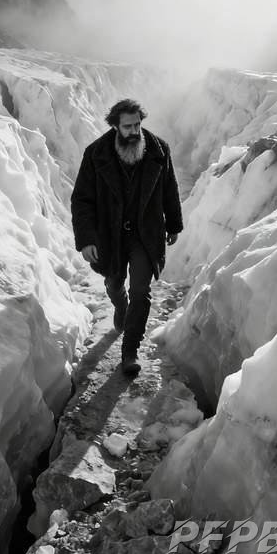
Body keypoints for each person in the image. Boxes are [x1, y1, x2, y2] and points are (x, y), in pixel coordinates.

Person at [71, 98, 183, 375]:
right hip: (110, 234)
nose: (134, 131)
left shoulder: (158, 150)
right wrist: (86, 239)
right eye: (127, 126)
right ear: (115, 126)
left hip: (146, 233)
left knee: (141, 291)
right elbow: (82, 199)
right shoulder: (96, 153)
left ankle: (130, 351)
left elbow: (169, 188)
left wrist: (174, 224)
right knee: (113, 283)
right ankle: (120, 308)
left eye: (137, 125)